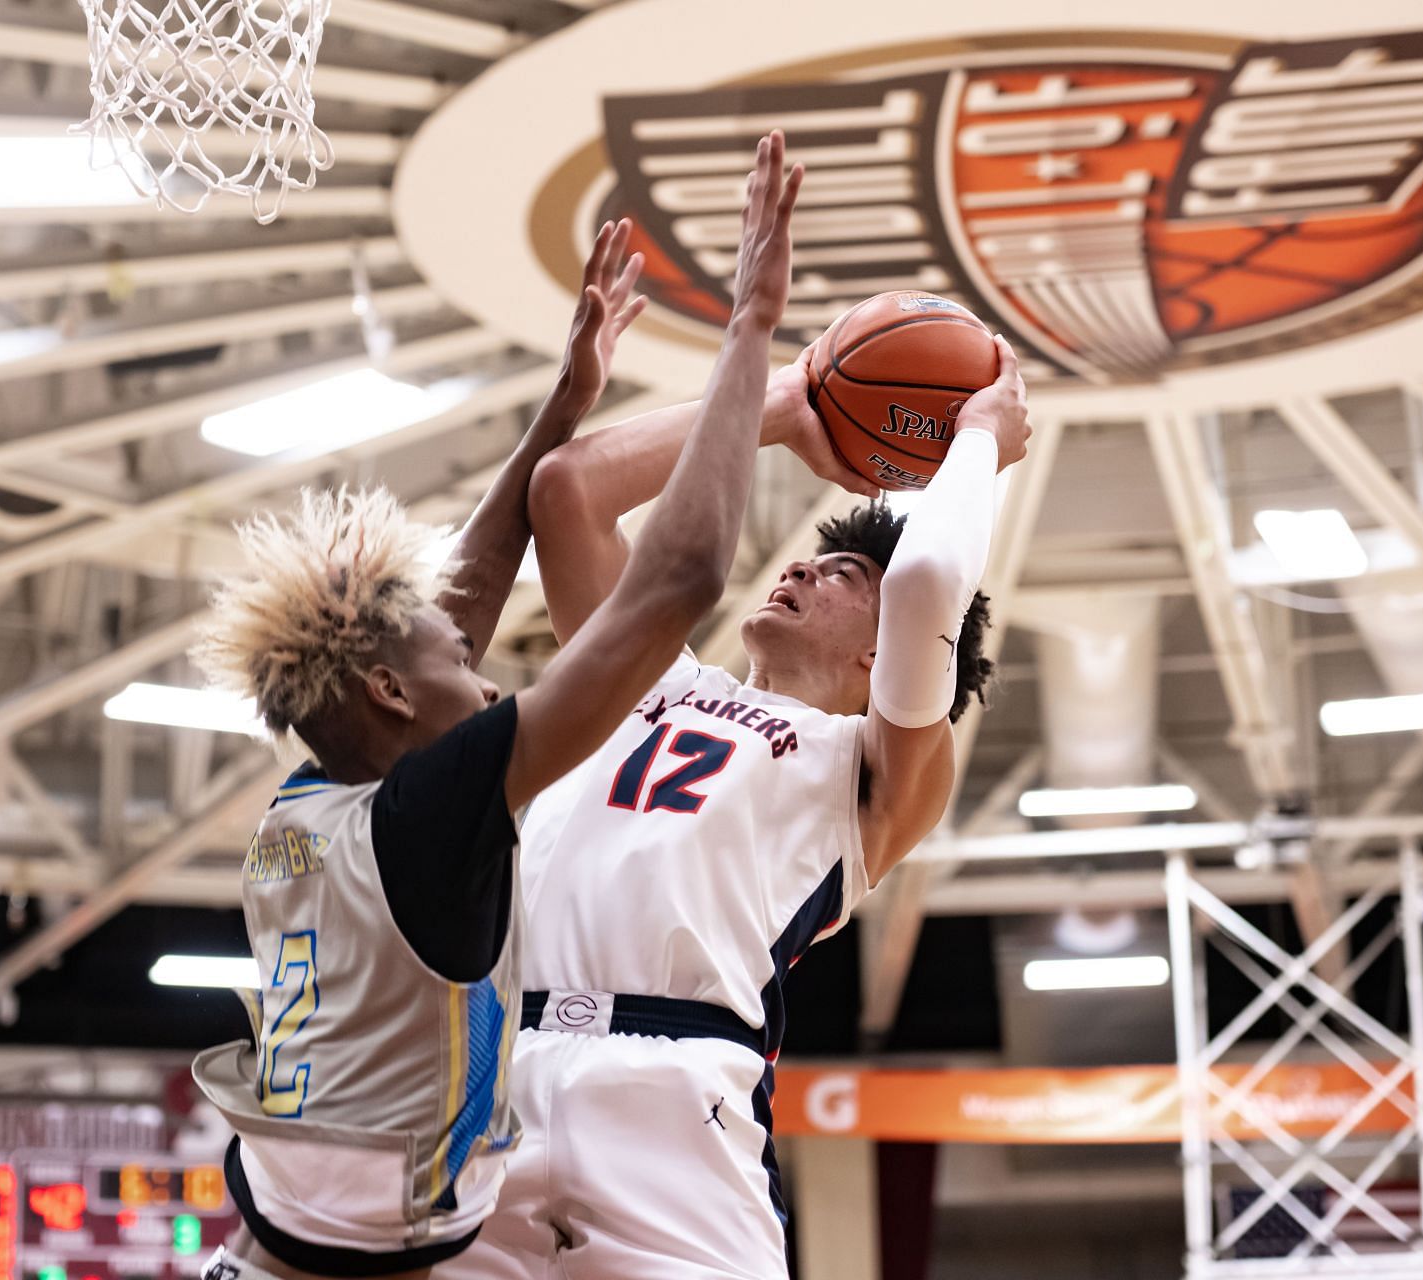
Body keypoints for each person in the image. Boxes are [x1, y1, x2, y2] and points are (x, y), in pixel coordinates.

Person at [189, 132, 807, 1280]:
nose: (485, 668)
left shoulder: (314, 799)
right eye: (458, 659)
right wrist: (750, 335)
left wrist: (564, 407)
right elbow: (673, 584)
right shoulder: (430, 811)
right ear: (386, 688)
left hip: (289, 1234)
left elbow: (444, 607)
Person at [440, 322, 1033, 1276]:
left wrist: (979, 444)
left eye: (841, 574)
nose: (797, 567)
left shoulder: (874, 767)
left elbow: (927, 580)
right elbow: (570, 491)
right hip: (497, 1072)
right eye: (810, 560)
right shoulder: (646, 679)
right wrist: (786, 405)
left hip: (678, 1090)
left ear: (884, 658)